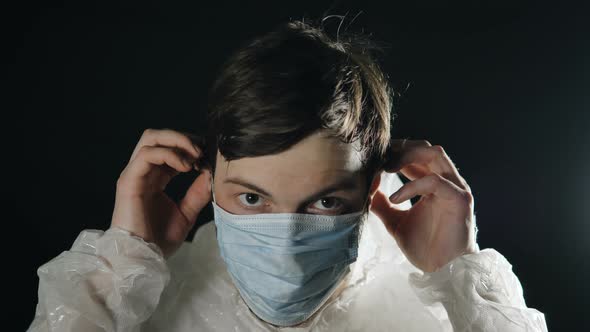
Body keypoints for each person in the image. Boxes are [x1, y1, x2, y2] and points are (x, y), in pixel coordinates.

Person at [27, 18, 548, 331]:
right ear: (208, 177)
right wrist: (119, 268)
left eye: (325, 203)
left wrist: (458, 275)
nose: (285, 242)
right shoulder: (151, 301)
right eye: (252, 200)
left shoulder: (436, 311)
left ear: (371, 189)